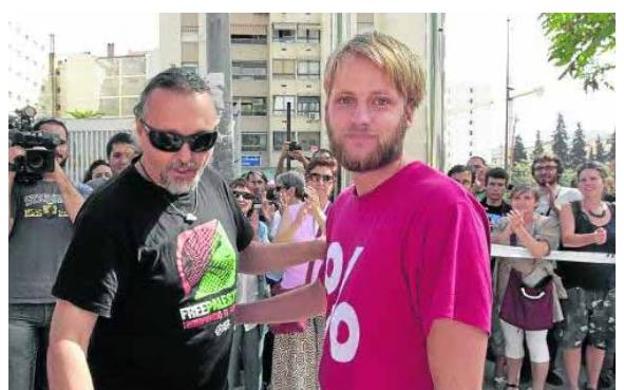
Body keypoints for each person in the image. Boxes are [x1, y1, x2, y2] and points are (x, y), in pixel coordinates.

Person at [235, 31, 492, 389]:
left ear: (409, 111)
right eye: (345, 100)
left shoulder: (445, 210)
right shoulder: (344, 206)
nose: (360, 118)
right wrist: (237, 314)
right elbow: (329, 293)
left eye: (380, 101)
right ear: (326, 108)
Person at [47, 67, 325, 390]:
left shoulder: (210, 182)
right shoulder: (107, 215)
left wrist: (320, 248)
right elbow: (67, 341)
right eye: (168, 140)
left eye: (201, 141)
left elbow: (247, 255)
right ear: (141, 130)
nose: (185, 156)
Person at [9, 117, 92, 390]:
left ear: (68, 149)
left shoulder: (81, 190)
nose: (52, 147)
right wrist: (10, 169)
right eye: (43, 139)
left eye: (59, 142)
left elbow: (85, 223)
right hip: (15, 306)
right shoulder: (14, 188)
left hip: (65, 306)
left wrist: (55, 171)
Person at [491, 185, 564, 390]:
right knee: (512, 342)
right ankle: (512, 384)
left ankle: (538, 386)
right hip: (507, 288)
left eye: (526, 198)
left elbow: (539, 250)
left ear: (535, 201)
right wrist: (509, 228)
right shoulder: (504, 221)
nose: (521, 202)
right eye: (516, 198)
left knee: (537, 342)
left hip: (537, 289)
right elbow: (493, 244)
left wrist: (520, 229)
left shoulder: (548, 223)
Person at [557, 161, 615, 390]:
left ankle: (591, 385)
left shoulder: (616, 209)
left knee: (598, 340)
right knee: (573, 338)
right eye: (583, 179)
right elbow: (568, 239)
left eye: (593, 178)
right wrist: (592, 238)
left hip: (608, 286)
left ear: (604, 181)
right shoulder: (569, 208)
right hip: (576, 285)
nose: (588, 183)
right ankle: (573, 386)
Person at [531, 153, 582, 386]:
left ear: (558, 170)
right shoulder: (529, 194)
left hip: (562, 265)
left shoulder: (572, 194)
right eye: (540, 168)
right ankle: (526, 368)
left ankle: (551, 367)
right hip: (534, 263)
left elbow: (579, 225)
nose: (545, 172)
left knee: (554, 319)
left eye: (549, 167)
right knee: (530, 316)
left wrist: (556, 206)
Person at [227, 179, 270, 390]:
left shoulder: (261, 227)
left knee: (255, 368)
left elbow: (270, 265)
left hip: (253, 305)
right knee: (228, 369)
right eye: (236, 194)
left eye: (247, 196)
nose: (242, 199)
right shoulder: (222, 223)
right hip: (228, 310)